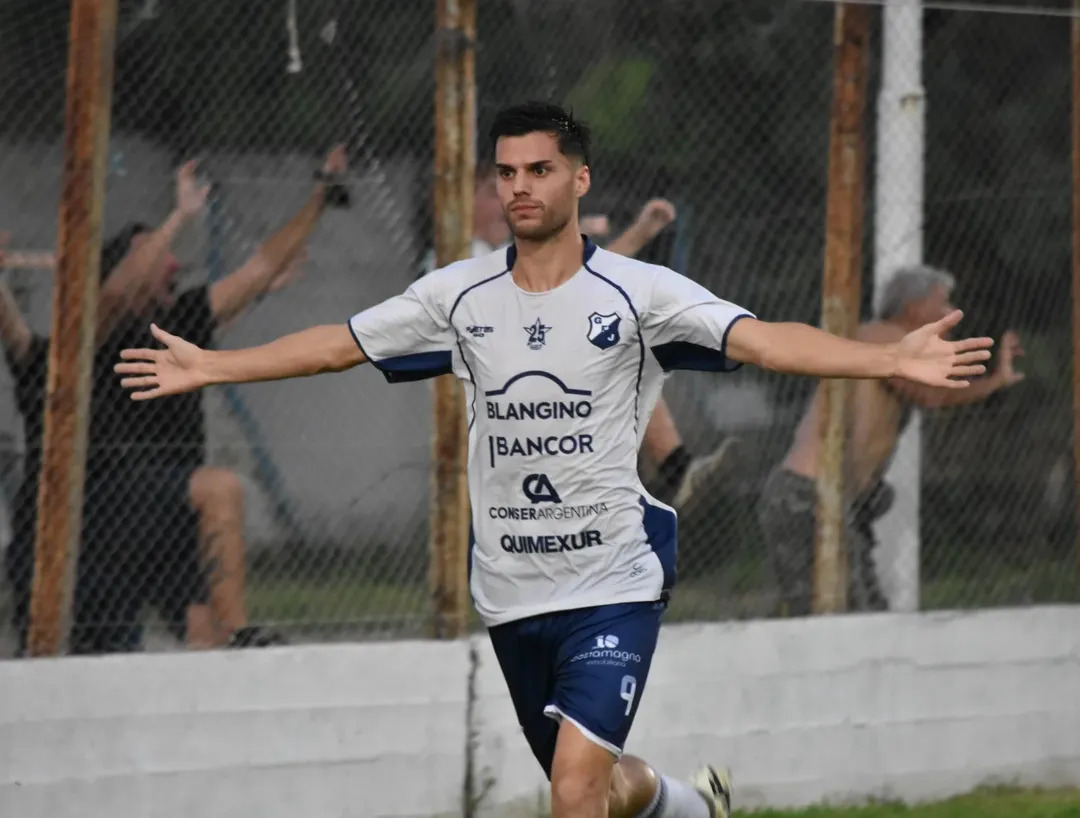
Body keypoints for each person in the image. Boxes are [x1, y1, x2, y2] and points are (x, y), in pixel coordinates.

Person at [115, 102, 994, 818]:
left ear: (579, 179)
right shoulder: (459, 296)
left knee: (572, 791)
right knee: (600, 791)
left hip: (613, 581)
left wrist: (887, 356)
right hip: (512, 592)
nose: (520, 187)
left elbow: (764, 340)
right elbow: (338, 345)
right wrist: (212, 364)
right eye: (506, 173)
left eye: (539, 170)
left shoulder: (640, 295)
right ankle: (691, 806)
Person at [421, 164, 737, 514]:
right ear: (456, 204)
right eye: (489, 194)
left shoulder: (508, 253)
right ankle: (664, 477)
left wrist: (638, 233)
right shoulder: (455, 258)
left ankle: (674, 473)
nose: (504, 202)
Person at [758, 264, 1025, 616]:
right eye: (942, 303)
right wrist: (994, 382)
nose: (951, 312)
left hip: (830, 501)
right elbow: (931, 396)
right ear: (913, 308)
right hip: (806, 497)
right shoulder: (880, 338)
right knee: (842, 621)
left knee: (856, 618)